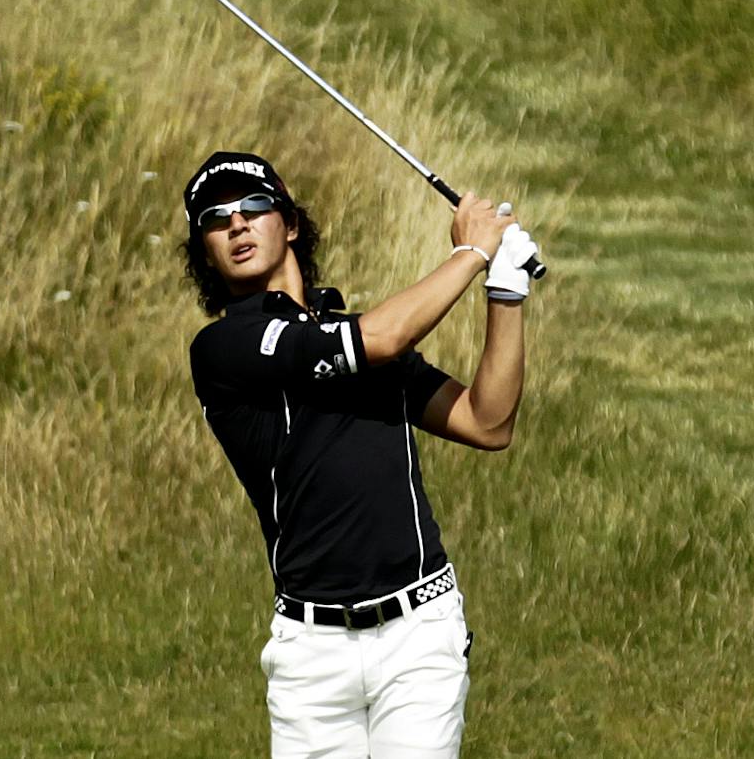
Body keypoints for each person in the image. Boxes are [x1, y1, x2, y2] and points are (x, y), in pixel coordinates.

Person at [182, 150, 539, 758]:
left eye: (255, 206)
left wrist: (504, 291)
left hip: (419, 634)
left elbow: (487, 421)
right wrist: (470, 253)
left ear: (289, 223)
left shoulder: (357, 338)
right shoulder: (224, 348)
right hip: (311, 654)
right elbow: (381, 337)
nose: (238, 223)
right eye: (216, 219)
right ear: (205, 252)